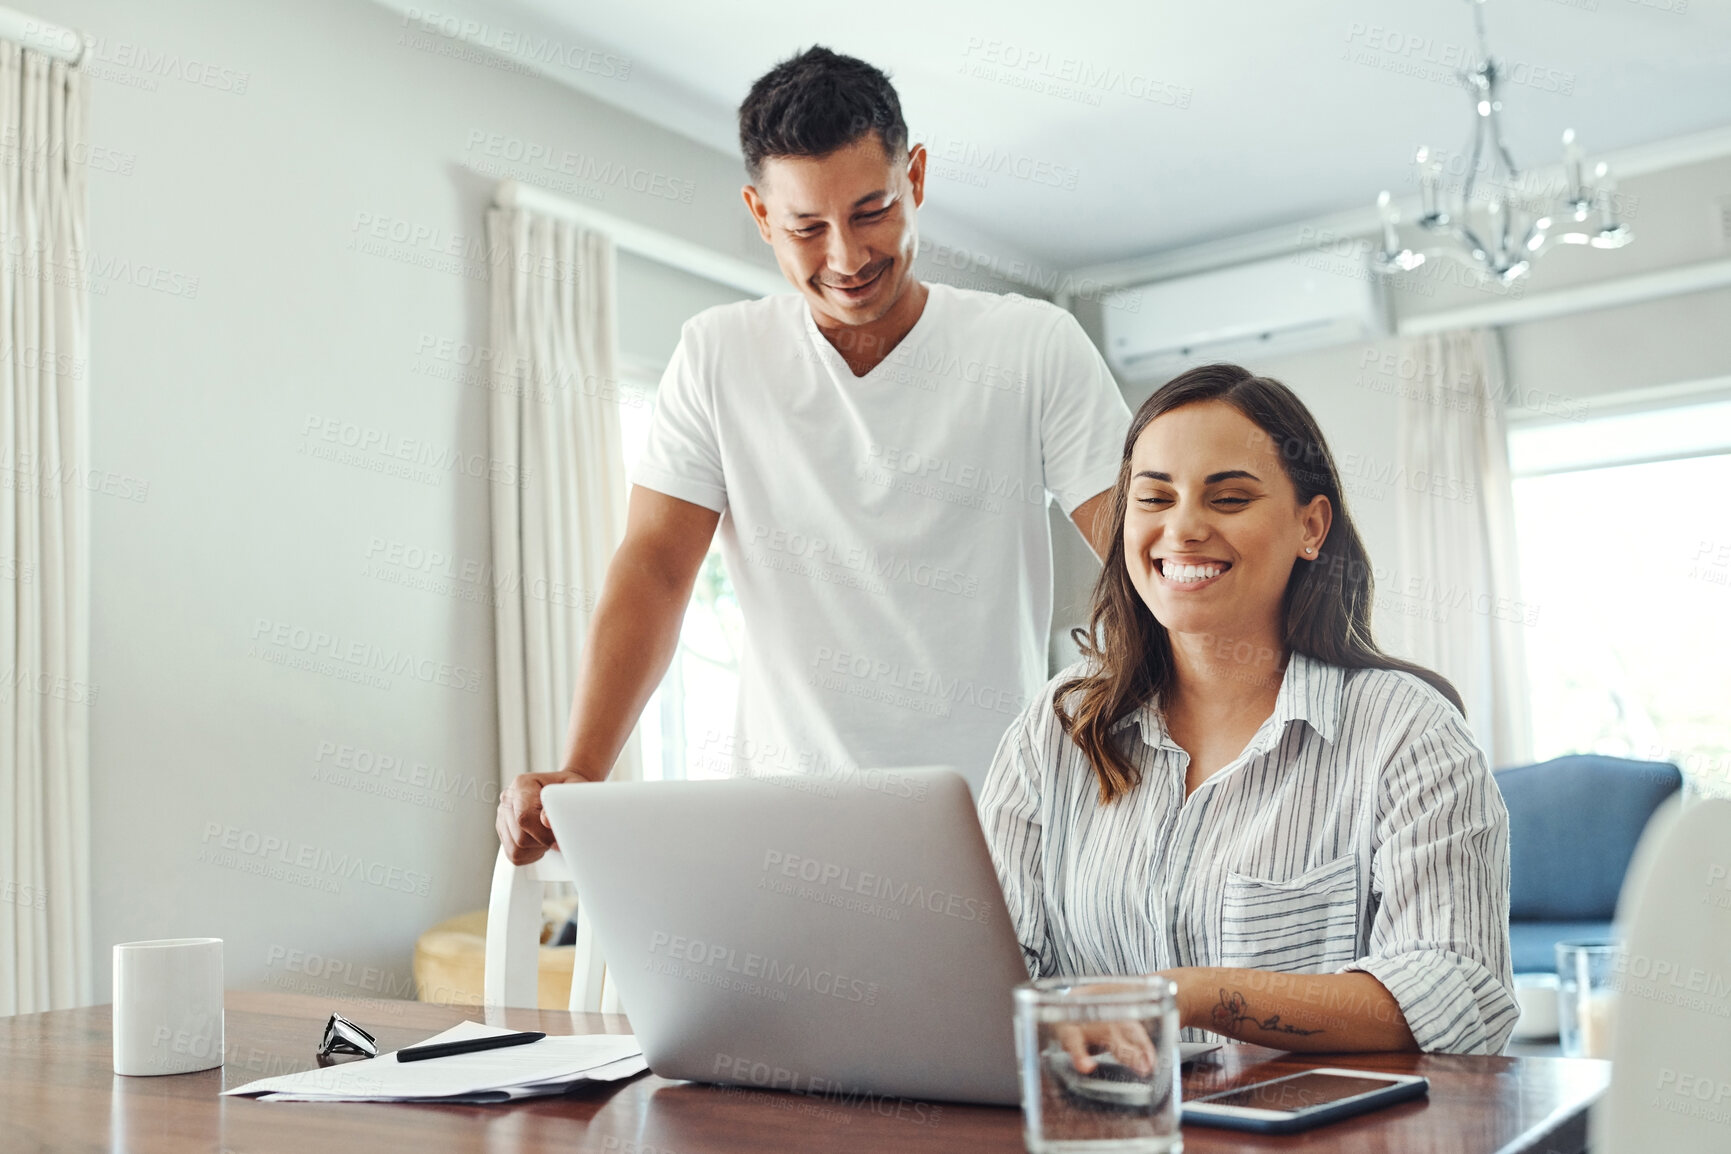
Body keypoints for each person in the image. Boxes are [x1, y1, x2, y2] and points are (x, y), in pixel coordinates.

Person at [498, 46, 1131, 865]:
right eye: (806, 227)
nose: (846, 256)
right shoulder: (717, 355)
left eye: (871, 211)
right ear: (762, 217)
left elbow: (1137, 547)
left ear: (917, 180)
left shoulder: (1029, 345)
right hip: (780, 828)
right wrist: (581, 768)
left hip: (996, 822)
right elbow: (656, 564)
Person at [980, 363, 1517, 1063]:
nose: (1182, 529)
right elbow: (987, 969)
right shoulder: (1056, 728)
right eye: (1153, 498)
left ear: (1310, 526)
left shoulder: (1406, 731)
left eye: (1228, 498)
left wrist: (1185, 996)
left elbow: (1457, 990)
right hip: (1103, 1129)